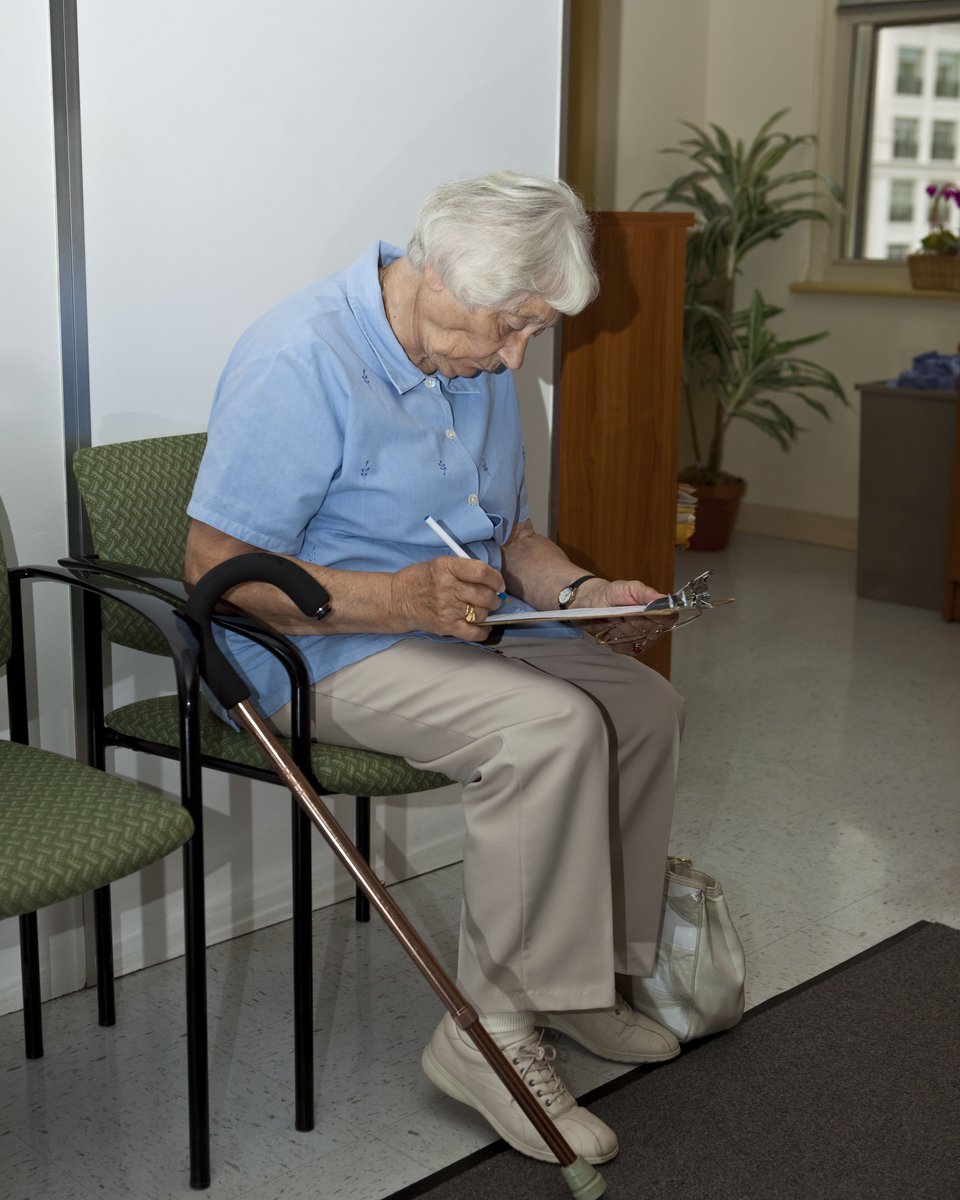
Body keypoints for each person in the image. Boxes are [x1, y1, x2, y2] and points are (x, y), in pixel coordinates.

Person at [185, 170, 685, 1166]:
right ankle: (490, 1035)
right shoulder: (302, 357)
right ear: (437, 276)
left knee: (642, 705)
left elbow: (514, 539)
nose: (516, 357)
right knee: (545, 730)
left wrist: (581, 597)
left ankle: (576, 983)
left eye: (532, 330)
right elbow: (213, 572)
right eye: (509, 327)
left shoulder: (480, 361)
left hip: (453, 623)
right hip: (312, 647)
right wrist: (395, 601)